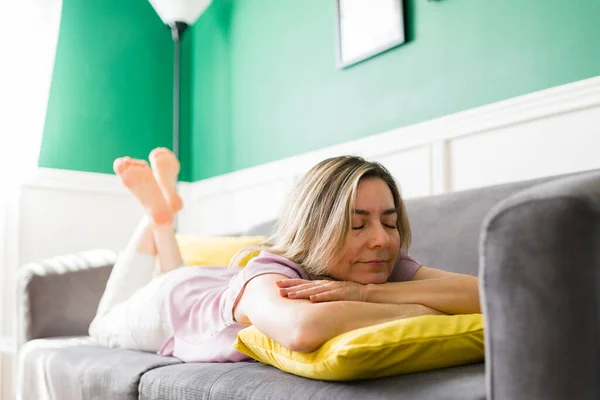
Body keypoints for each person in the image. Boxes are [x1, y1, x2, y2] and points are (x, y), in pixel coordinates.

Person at [89, 148, 481, 363]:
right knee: (100, 325)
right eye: (357, 225)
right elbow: (302, 329)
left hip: (208, 281)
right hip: (171, 302)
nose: (381, 240)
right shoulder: (268, 274)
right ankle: (156, 216)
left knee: (170, 269)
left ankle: (162, 216)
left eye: (390, 222)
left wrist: (367, 295)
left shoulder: (376, 270)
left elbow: (485, 294)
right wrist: (425, 308)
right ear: (316, 228)